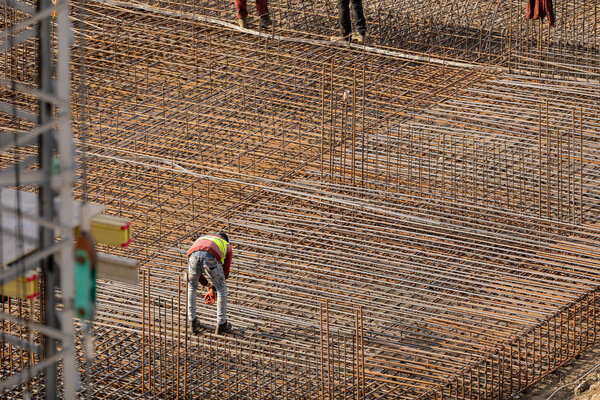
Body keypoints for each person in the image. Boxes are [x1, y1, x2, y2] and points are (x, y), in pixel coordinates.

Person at [186, 232, 233, 334]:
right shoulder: (226, 245)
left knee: (191, 287)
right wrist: (215, 287)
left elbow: (197, 272)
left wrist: (207, 285)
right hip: (210, 257)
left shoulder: (202, 238)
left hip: (192, 256)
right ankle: (221, 323)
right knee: (222, 289)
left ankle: (192, 321)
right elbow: (225, 273)